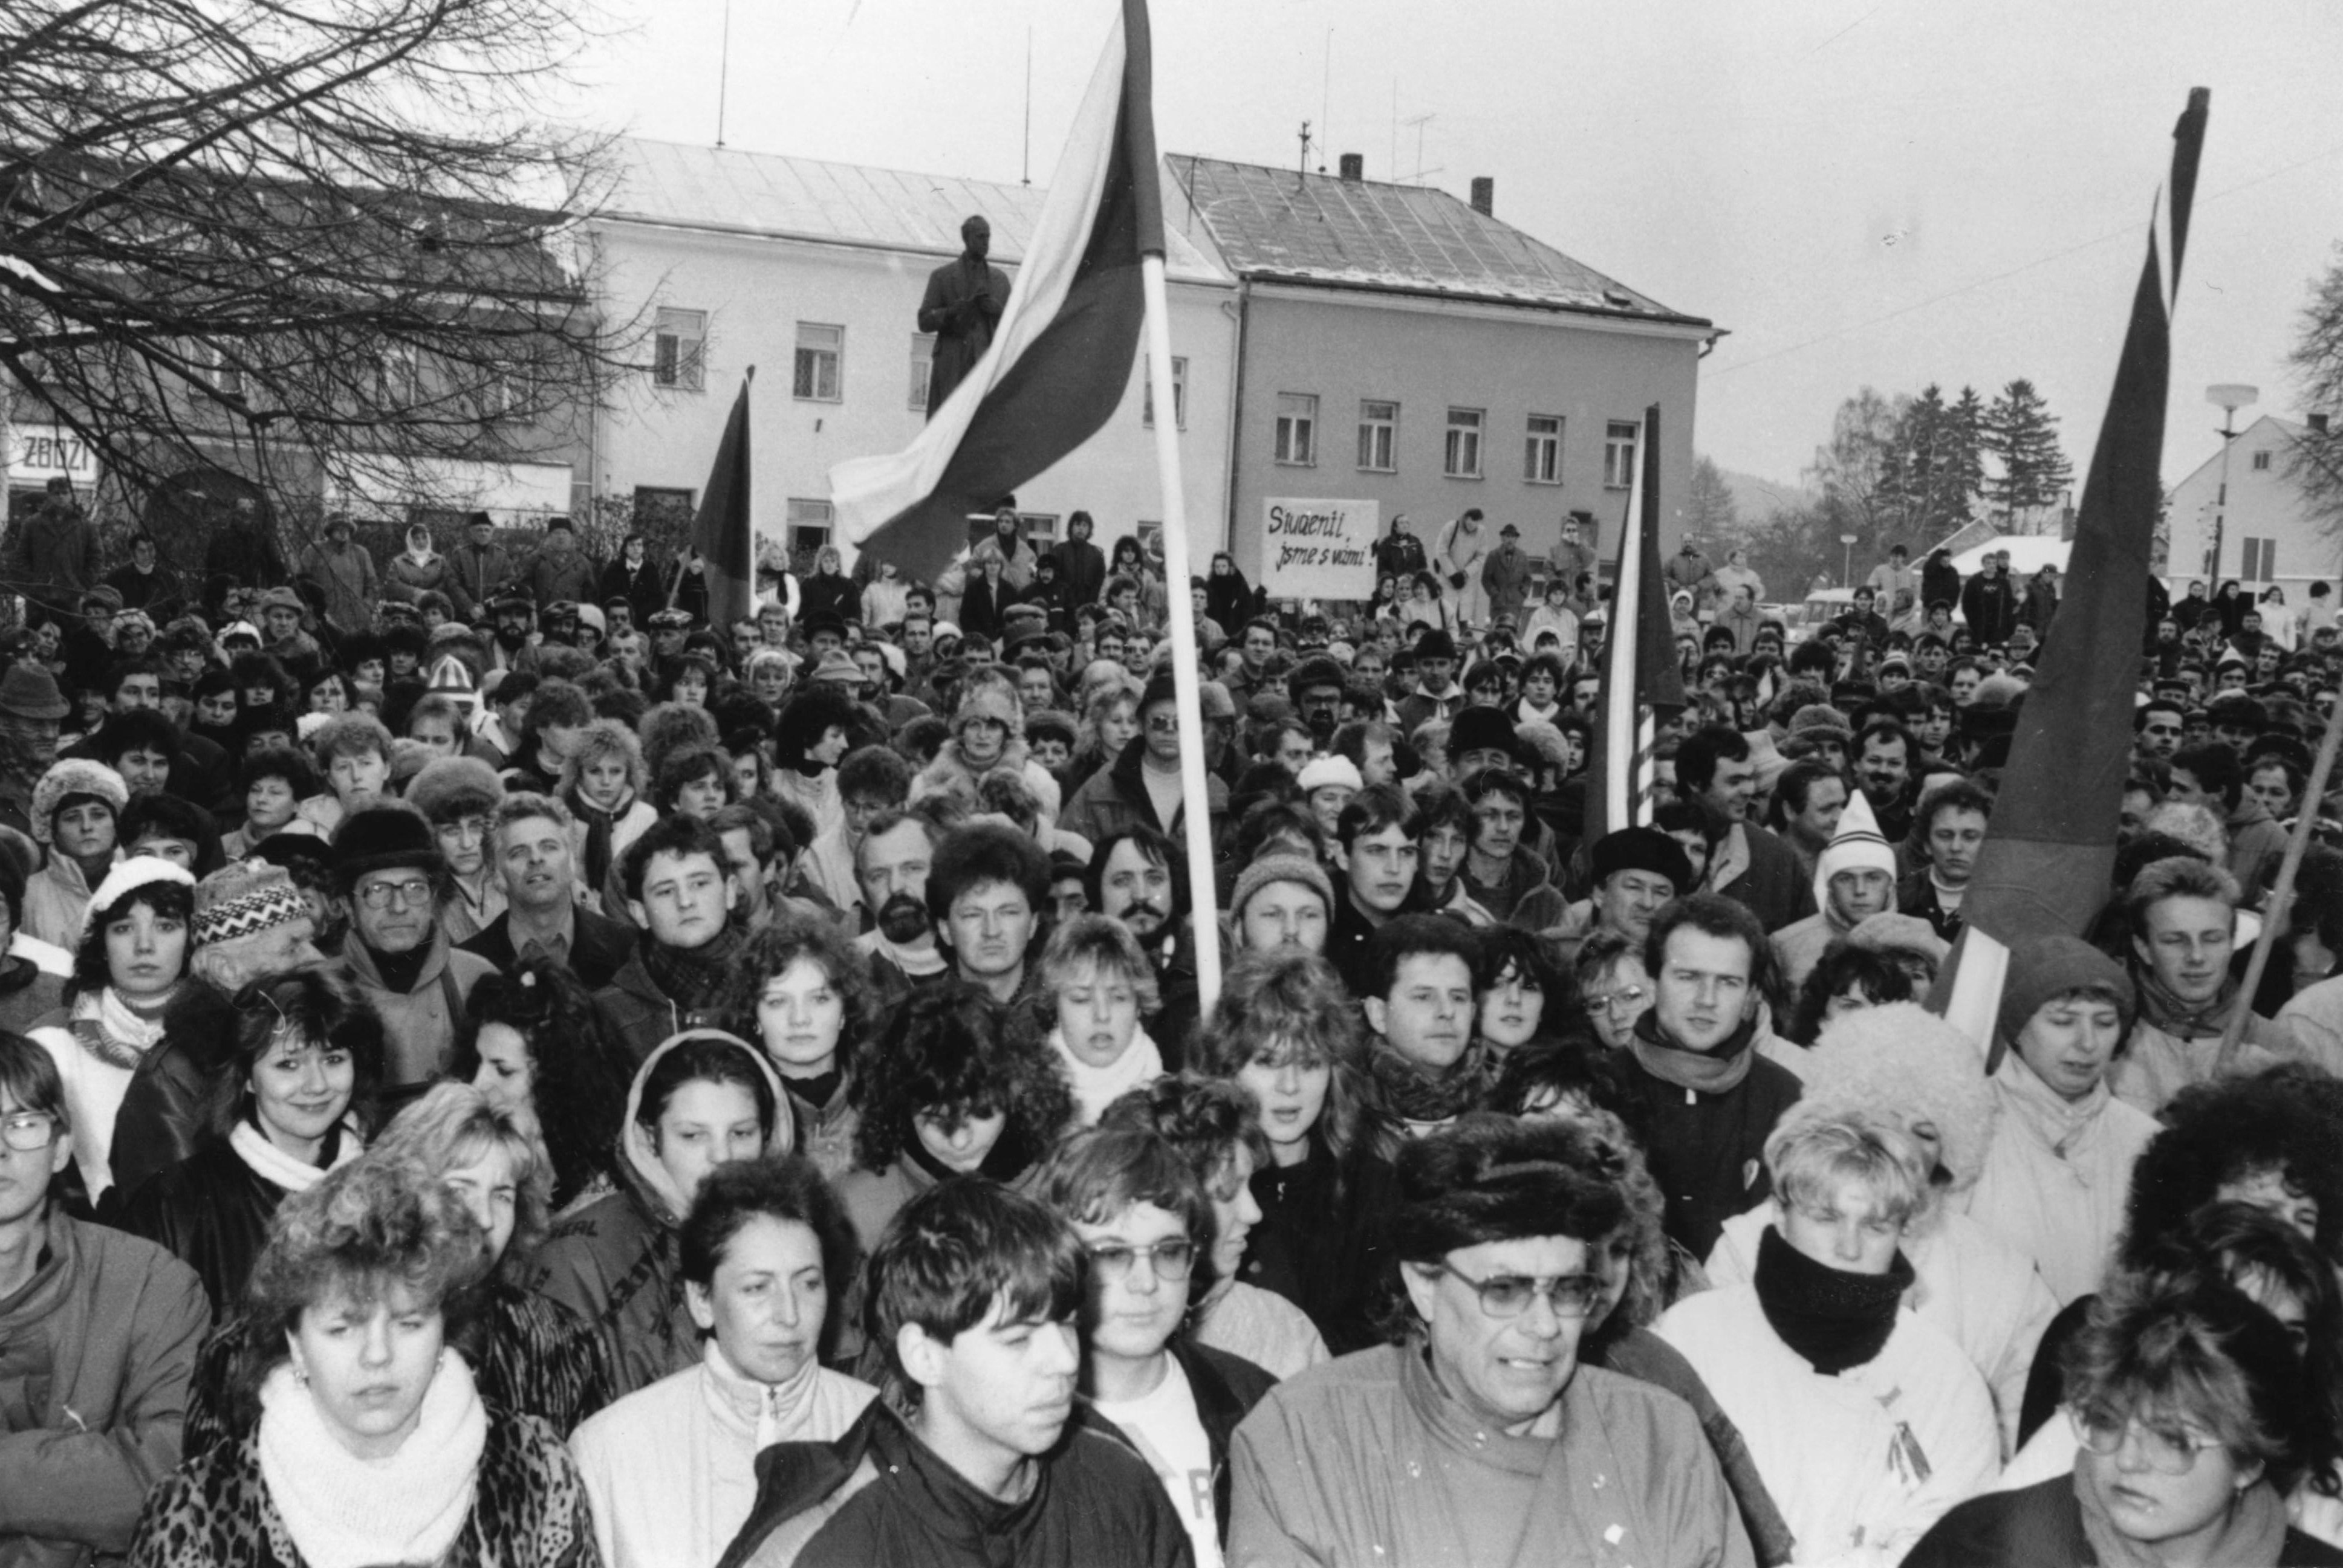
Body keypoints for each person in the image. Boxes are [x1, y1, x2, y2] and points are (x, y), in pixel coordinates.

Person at [1227, 1114, 1755, 1568]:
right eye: (1504, 1290)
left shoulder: (1658, 1443)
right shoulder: (1306, 1438)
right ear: (1424, 1285)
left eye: (1568, 1289)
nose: (1544, 1326)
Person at [128, 1156, 599, 1568]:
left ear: (445, 1329)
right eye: (342, 1329)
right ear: (295, 1342)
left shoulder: (536, 1472)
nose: (378, 1355)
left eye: (409, 1323)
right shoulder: (198, 1513)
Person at [721, 1177, 1189, 1568]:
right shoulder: (828, 1548)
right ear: (924, 1356)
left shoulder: (1117, 1485)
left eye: (1065, 1324)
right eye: (1018, 1338)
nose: (1065, 1361)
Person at [1658, 1106, 2001, 1564]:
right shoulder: (1690, 1340)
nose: (1849, 1248)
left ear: (1902, 1233)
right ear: (1780, 1214)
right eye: (1825, 1218)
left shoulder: (1944, 1380)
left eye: (1875, 1226)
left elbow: (1952, 1549)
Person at [1906, 1267, 2343, 1568]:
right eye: (2106, 1421)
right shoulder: (1980, 1549)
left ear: (2249, 1462)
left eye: (2172, 1439)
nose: (2128, 1461)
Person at [570, 1154, 879, 1568]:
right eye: (757, 1288)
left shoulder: (877, 1432)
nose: (789, 1314)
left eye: (808, 1284)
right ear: (701, 1300)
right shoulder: (608, 1451)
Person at [0, 1031, 211, 1566]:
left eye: (21, 1123)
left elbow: (176, 1480)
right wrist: (83, 1499)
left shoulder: (150, 1285)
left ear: (61, 1149)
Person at [1032, 1125, 1276, 1567]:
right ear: (1058, 1265)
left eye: (1168, 1252)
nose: (1145, 1283)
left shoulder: (1252, 1398)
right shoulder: (1029, 1428)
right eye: (1111, 1254)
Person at [525, 1029, 791, 1399]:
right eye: (693, 1136)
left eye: (742, 1133)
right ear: (651, 1139)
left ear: (768, 1137)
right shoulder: (578, 1257)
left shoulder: (800, 1241)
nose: (722, 1156)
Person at [117, 965, 379, 1315]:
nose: (317, 1085)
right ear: (247, 1078)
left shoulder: (390, 1187)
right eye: (289, 1064)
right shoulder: (174, 1205)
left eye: (333, 1059)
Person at [1192, 950, 1396, 1356]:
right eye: (1268, 1062)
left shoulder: (1371, 1186)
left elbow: (1385, 1332)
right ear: (1228, 1068)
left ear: (1334, 1072)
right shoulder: (1205, 1189)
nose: (1289, 1086)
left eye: (1309, 1064)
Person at [1961, 935, 2160, 1305]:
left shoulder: (2146, 1143)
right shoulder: (1965, 1129)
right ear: (2018, 1029)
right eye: (2063, 1021)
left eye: (2105, 1023)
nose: (2087, 1043)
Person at [1099, 1073, 1331, 1381]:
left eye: (1250, 1186)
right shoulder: (1087, 1333)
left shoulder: (1282, 1329)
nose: (1254, 1214)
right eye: (1225, 1192)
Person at [834, 982, 1074, 1252]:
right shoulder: (855, 1209)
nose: (960, 1142)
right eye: (935, 1119)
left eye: (981, 1113)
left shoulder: (1067, 1191)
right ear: (901, 1106)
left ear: (1014, 1091)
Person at [28, 855, 195, 1205]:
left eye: (166, 926)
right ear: (101, 945)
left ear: (192, 939)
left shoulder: (222, 1036)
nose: (144, 945)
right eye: (123, 928)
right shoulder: (53, 1044)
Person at [328, 802, 497, 1089]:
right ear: (347, 905)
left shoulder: (477, 978)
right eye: (377, 890)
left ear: (433, 898)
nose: (399, 906)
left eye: (415, 888)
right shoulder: (321, 989)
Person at [2109, 855, 2296, 1114]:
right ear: (2144, 949)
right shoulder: (2109, 1036)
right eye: (2175, 941)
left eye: (2212, 939)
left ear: (2231, 942)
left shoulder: (2276, 1048)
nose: (2196, 957)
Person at [450, 957, 637, 1212]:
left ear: (556, 1081)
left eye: (503, 1071)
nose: (478, 1084)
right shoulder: (469, 1153)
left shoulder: (611, 1183)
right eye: (477, 1063)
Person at [719, 915, 874, 1179]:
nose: (800, 1019)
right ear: (754, 1016)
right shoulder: (734, 1117)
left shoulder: (883, 1103)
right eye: (778, 1002)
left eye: (819, 999)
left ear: (845, 1011)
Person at [594, 815, 749, 1061]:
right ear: (641, 913)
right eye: (666, 891)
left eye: (699, 884)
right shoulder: (610, 1015)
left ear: (729, 891)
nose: (685, 902)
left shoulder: (775, 981)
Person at [458, 792, 634, 990]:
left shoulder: (627, 946)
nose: (536, 858)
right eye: (519, 852)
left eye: (549, 847)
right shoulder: (467, 964)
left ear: (571, 859)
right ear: (495, 871)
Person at [1041, 913, 1166, 1127]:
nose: (1102, 1015)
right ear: (1055, 1005)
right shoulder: (1024, 1097)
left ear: (1139, 1004)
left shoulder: (1171, 1104)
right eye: (1081, 999)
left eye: (1118, 998)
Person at [1768, 791, 1899, 992]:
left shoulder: (1921, 944)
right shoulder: (1787, 946)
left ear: (1890, 884)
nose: (1860, 890)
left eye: (1873, 878)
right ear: (1830, 885)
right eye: (1845, 879)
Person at [23, 758, 128, 948]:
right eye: (72, 818)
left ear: (116, 822)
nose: (87, 827)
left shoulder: (138, 883)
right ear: (52, 829)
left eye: (98, 815)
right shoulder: (29, 894)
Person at [918, 216, 1013, 418]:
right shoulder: (942, 277)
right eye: (980, 237)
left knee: (982, 422)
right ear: (967, 238)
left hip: (986, 363)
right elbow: (924, 321)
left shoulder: (1000, 281)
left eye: (988, 237)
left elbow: (1015, 327)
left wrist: (998, 312)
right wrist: (950, 312)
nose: (986, 242)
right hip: (953, 363)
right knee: (948, 419)